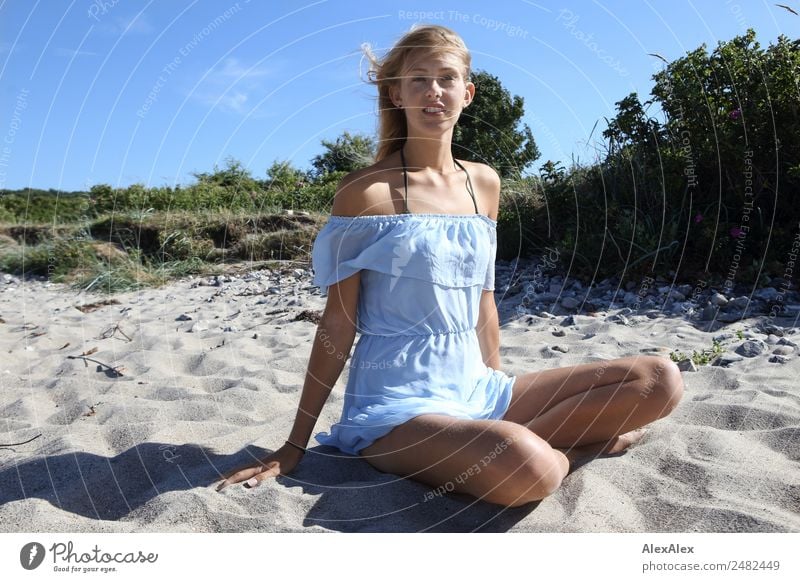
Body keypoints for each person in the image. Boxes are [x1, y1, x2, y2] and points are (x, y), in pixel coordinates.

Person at [216, 24, 684, 507]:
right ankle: (575, 446)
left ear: (468, 92)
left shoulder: (483, 183)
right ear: (395, 93)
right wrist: (295, 444)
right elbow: (338, 322)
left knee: (659, 379)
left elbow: (483, 300)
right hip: (396, 406)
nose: (433, 92)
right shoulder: (366, 192)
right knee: (529, 468)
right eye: (418, 79)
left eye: (446, 78)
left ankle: (532, 440)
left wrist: (496, 399)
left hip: (478, 387)